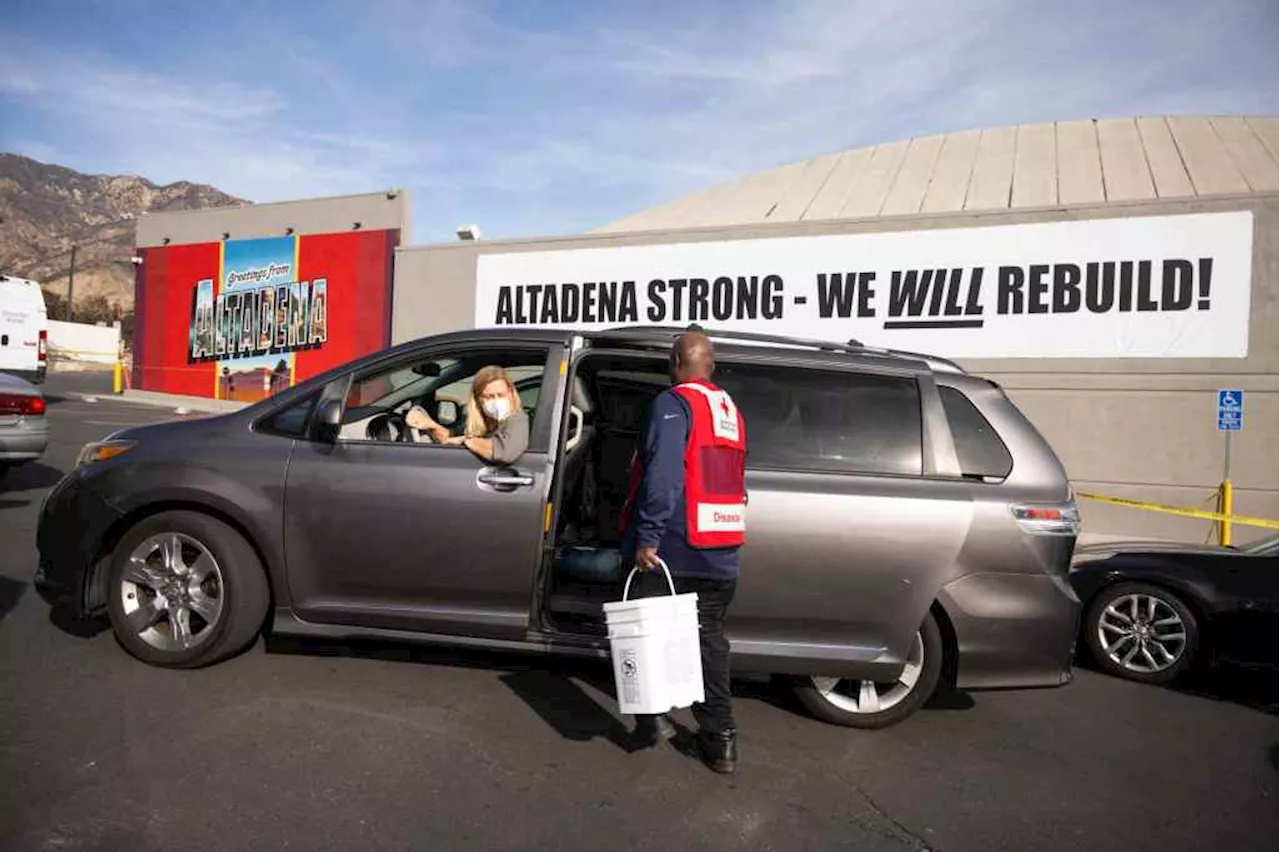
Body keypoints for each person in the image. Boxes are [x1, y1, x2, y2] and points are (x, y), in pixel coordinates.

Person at [619, 331, 747, 774]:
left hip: (677, 547)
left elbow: (664, 476)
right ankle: (720, 739)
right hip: (722, 548)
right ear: (711, 365)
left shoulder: (674, 404)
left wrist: (648, 537)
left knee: (646, 633)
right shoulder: (729, 409)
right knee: (709, 642)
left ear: (675, 360)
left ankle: (652, 722)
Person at [406, 365, 529, 465]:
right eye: (489, 397)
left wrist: (468, 440)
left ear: (511, 393)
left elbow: (503, 452)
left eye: (501, 395)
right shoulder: (479, 420)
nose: (496, 401)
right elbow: (450, 439)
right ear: (477, 400)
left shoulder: (517, 419)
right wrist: (430, 424)